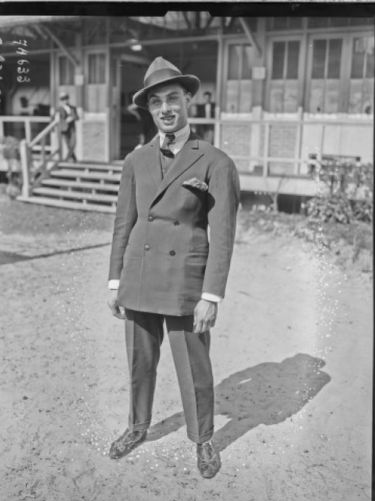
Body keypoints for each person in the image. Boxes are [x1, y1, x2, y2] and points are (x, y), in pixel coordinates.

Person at [107, 57, 240, 479]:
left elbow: (222, 235)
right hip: (139, 278)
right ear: (149, 110)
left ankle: (203, 440)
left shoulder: (215, 161)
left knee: (195, 370)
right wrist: (115, 281)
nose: (166, 108)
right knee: (139, 362)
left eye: (173, 98)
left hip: (185, 284)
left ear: (187, 101)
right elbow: (123, 223)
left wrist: (211, 295)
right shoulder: (136, 160)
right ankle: (137, 427)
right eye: (156, 102)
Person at [56, 92, 79, 162]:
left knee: (73, 143)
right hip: (64, 129)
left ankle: (66, 159)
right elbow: (57, 119)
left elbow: (77, 117)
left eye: (66, 98)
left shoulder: (72, 108)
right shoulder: (59, 109)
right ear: (61, 100)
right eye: (62, 99)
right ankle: (74, 159)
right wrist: (65, 121)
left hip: (72, 128)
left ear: (68, 99)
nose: (64, 100)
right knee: (68, 145)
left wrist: (72, 118)